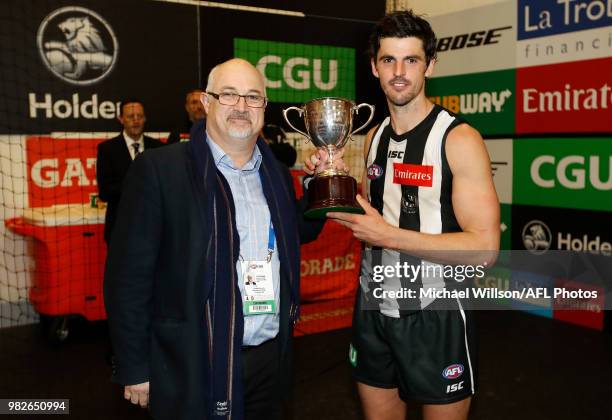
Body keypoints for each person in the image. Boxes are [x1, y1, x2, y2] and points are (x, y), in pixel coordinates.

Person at [104, 58, 327, 420]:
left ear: (264, 109)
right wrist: (134, 365)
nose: (241, 106)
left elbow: (296, 233)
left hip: (269, 362)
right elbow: (127, 277)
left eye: (253, 97)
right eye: (229, 95)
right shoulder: (159, 170)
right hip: (190, 361)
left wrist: (321, 186)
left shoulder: (277, 175)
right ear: (206, 103)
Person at [306, 10, 500, 420]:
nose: (399, 72)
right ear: (374, 67)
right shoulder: (374, 136)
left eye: (411, 60)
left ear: (430, 65)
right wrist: (327, 178)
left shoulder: (458, 139)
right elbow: (370, 218)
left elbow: (484, 248)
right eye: (388, 60)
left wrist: (389, 235)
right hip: (374, 307)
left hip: (436, 313)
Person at [96, 99, 163, 242]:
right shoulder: (107, 149)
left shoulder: (158, 148)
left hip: (154, 228)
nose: (136, 120)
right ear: (121, 119)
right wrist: (138, 184)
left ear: (145, 118)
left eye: (139, 116)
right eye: (130, 117)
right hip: (120, 228)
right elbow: (105, 192)